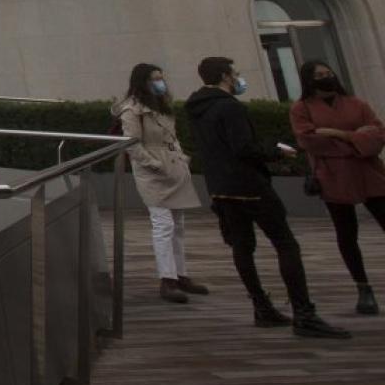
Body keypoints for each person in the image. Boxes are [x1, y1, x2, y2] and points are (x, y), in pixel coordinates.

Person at [184, 55, 350, 338]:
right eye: (235, 73)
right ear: (225, 76)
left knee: (242, 246)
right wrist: (275, 152)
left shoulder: (197, 108)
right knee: (285, 244)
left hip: (221, 187)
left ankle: (261, 306)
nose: (238, 78)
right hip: (249, 185)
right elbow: (243, 147)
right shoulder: (229, 107)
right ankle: (304, 313)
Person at [289, 60, 385, 315]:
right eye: (320, 75)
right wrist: (356, 139)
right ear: (309, 80)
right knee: (346, 232)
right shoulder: (302, 108)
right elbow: (309, 139)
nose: (326, 77)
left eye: (328, 73)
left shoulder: (356, 103)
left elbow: (377, 134)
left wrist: (340, 134)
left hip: (369, 171)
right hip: (334, 175)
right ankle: (363, 287)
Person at [114, 63, 208, 303]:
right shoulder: (132, 110)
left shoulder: (162, 107)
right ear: (143, 82)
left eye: (161, 78)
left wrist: (181, 157)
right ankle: (168, 279)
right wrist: (154, 163)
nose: (160, 82)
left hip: (173, 166)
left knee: (178, 224)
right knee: (163, 224)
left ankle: (181, 274)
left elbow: (171, 137)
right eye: (155, 78)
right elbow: (131, 143)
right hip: (153, 172)